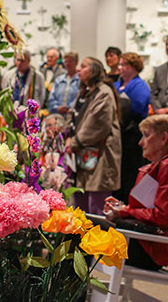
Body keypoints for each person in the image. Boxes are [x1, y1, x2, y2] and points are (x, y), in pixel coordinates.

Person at [103, 114, 168, 271]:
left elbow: (161, 217)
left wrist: (124, 211)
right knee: (79, 228)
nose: (140, 142)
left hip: (149, 249)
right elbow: (147, 209)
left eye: (147, 135)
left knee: (80, 232)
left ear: (164, 138)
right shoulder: (158, 166)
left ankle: (65, 294)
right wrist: (121, 208)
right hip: (140, 240)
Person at [67, 57, 121, 214]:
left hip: (100, 153)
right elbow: (74, 116)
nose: (78, 69)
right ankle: (82, 237)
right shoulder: (85, 92)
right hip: (84, 153)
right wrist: (68, 136)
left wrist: (74, 142)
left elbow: (96, 125)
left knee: (97, 203)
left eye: (83, 66)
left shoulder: (103, 92)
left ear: (94, 71)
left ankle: (98, 238)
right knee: (81, 198)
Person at [112, 52, 150, 202]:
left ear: (134, 67)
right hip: (117, 135)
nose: (120, 67)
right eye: (120, 64)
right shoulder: (116, 84)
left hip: (131, 136)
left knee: (129, 173)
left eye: (124, 64)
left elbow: (137, 108)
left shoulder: (140, 85)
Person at [46, 51, 80, 116]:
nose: (67, 64)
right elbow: (51, 97)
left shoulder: (80, 80)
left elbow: (79, 98)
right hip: (57, 114)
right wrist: (57, 108)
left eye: (70, 61)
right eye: (66, 61)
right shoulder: (59, 79)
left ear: (76, 62)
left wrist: (68, 107)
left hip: (73, 115)